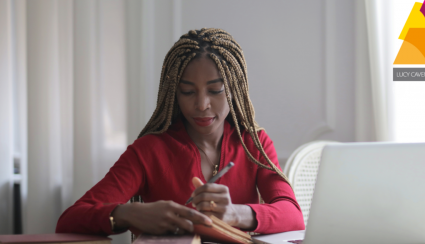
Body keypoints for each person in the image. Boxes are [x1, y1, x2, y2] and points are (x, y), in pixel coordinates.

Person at [56, 28, 305, 237]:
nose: (201, 104)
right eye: (187, 92)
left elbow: (293, 216)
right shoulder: (149, 150)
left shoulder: (253, 144)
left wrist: (235, 214)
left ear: (234, 89)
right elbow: (69, 220)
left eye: (215, 90)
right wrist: (128, 213)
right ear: (174, 93)